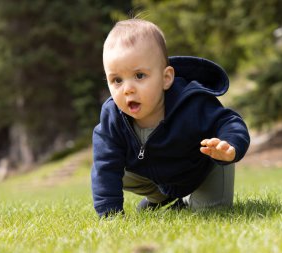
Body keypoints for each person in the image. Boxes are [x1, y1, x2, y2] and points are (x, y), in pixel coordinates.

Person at [91, 18, 250, 218]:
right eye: (117, 80)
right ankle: (163, 197)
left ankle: (190, 199)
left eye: (139, 76)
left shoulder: (191, 103)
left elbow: (228, 121)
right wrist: (110, 216)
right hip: (159, 177)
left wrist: (229, 146)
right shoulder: (112, 118)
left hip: (202, 170)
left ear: (166, 78)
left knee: (211, 214)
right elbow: (104, 168)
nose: (128, 89)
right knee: (111, 170)